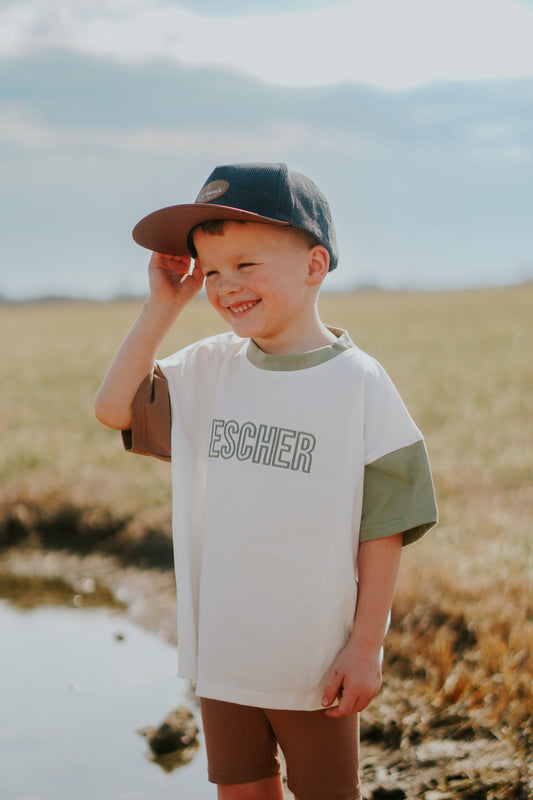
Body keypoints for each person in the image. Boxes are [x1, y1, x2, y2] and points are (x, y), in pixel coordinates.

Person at [95, 162, 438, 800]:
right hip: (224, 655)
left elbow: (385, 524)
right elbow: (115, 408)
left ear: (315, 265)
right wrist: (162, 307)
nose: (225, 286)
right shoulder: (207, 370)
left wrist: (367, 648)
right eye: (212, 270)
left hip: (314, 661)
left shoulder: (358, 383)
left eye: (246, 266)